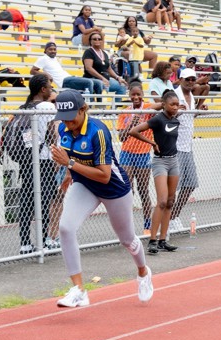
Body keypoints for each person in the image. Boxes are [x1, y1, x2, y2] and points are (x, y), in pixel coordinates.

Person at [49, 90, 153, 307]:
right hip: (85, 185)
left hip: (113, 189)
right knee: (66, 228)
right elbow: (71, 154)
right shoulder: (63, 128)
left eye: (71, 116)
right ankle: (79, 290)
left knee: (127, 240)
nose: (68, 122)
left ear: (83, 109)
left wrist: (69, 164)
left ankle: (143, 272)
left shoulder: (98, 132)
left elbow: (105, 176)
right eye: (64, 117)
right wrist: (69, 174)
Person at [126, 90, 181, 254]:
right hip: (160, 162)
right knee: (162, 201)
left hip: (174, 161)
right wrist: (152, 143)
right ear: (163, 105)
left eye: (177, 104)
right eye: (172, 104)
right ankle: (152, 240)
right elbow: (133, 131)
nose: (176, 107)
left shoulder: (176, 120)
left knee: (171, 201)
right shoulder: (158, 119)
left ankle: (164, 239)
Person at [14, 73, 58, 253]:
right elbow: (52, 133)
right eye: (50, 86)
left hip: (27, 159)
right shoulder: (47, 106)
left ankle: (25, 242)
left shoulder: (24, 106)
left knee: (27, 198)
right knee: (44, 199)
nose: (51, 89)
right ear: (43, 89)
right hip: (44, 159)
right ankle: (45, 240)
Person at [168, 69, 206, 231]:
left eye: (193, 79)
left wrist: (198, 111)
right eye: (188, 79)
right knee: (173, 188)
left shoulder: (192, 97)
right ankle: (168, 220)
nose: (191, 82)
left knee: (190, 184)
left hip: (187, 147)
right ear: (181, 79)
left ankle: (174, 216)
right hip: (175, 147)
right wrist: (176, 112)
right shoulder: (173, 95)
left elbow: (189, 117)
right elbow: (165, 117)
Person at [117, 84, 156, 235]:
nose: (135, 97)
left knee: (143, 189)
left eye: (138, 94)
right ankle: (127, 225)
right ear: (129, 95)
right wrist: (131, 126)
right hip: (127, 153)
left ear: (142, 94)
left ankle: (147, 224)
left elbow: (159, 106)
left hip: (143, 153)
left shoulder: (147, 108)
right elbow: (121, 137)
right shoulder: (124, 113)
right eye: (133, 94)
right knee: (128, 190)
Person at [31, 42, 100, 94]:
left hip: (69, 78)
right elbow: (33, 71)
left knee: (98, 83)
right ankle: (90, 106)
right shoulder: (43, 58)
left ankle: (99, 107)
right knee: (89, 82)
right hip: (64, 82)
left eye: (54, 49)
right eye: (50, 49)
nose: (53, 51)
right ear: (45, 50)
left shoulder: (54, 59)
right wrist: (46, 75)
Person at [82, 32, 128, 100]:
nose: (97, 40)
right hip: (93, 79)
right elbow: (89, 68)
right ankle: (99, 107)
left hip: (106, 79)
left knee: (122, 86)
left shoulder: (104, 53)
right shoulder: (88, 52)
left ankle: (115, 108)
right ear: (90, 41)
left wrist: (118, 78)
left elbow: (109, 69)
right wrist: (102, 78)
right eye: (94, 39)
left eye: (99, 39)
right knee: (101, 85)